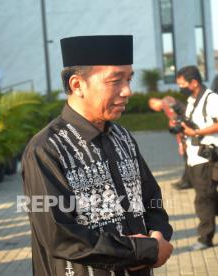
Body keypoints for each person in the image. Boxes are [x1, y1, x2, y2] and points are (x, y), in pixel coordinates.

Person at [22, 35, 173, 275]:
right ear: (77, 85)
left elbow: (151, 197)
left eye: (129, 79)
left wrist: (158, 234)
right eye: (115, 80)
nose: (127, 91)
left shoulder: (121, 136)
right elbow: (59, 234)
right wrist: (139, 249)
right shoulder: (46, 149)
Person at [175, 65, 218, 251]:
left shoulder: (211, 99)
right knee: (208, 196)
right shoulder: (192, 100)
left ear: (194, 82)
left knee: (203, 198)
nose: (180, 88)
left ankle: (204, 238)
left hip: (206, 157)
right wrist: (181, 136)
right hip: (193, 156)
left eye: (182, 84)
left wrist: (197, 132)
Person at [148, 96, 192, 190]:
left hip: (186, 129)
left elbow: (175, 118)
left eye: (153, 108)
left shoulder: (166, 101)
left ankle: (187, 181)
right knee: (187, 157)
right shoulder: (167, 103)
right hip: (185, 129)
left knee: (188, 157)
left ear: (153, 104)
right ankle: (187, 180)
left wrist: (172, 121)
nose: (156, 110)